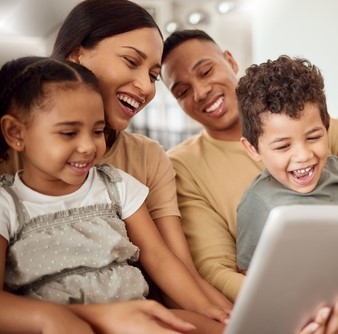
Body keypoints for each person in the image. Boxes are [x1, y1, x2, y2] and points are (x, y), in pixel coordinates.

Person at [0, 0, 232, 318]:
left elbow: (173, 268)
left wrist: (239, 319)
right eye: (130, 61)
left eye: (153, 75)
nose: (145, 87)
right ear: (77, 54)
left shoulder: (138, 164)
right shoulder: (9, 179)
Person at [160, 29, 338, 303]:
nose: (201, 91)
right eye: (182, 91)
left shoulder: (319, 127)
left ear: (230, 61)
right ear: (252, 149)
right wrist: (288, 303)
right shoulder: (182, 166)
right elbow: (215, 268)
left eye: (206, 71)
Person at [235, 55, 338, 271]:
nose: (303, 155)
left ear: (327, 129)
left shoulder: (334, 169)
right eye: (283, 146)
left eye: (313, 138)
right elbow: (251, 273)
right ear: (253, 149)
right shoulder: (258, 204)